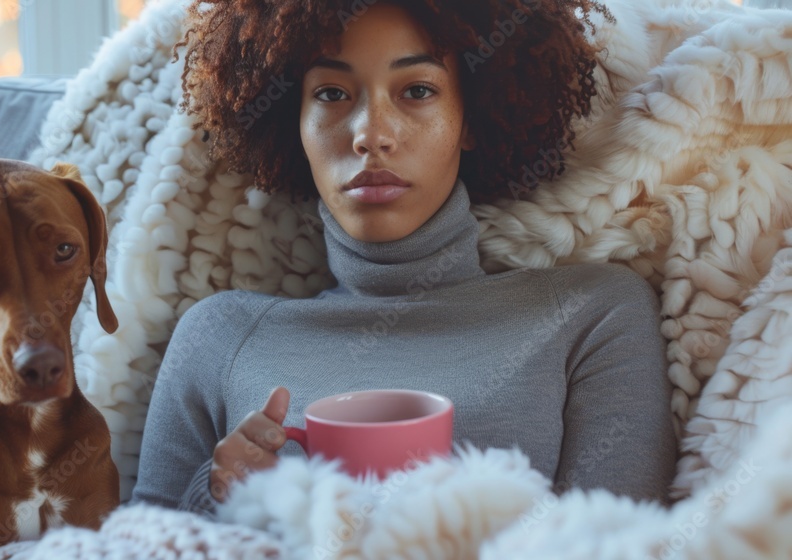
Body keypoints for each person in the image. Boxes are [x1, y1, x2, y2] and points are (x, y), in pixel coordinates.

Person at [131, 0, 677, 515]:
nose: (371, 134)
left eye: (416, 90)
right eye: (330, 94)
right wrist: (217, 495)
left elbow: (619, 543)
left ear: (470, 119)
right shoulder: (219, 335)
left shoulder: (593, 316)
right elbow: (133, 546)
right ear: (291, 122)